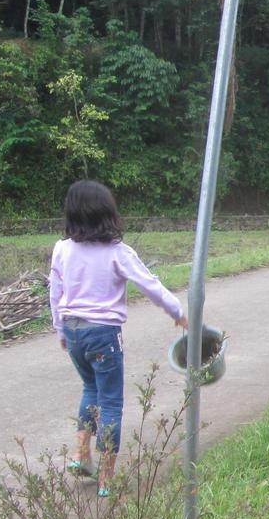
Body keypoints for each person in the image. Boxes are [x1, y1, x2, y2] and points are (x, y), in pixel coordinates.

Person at [49, 180, 187, 496]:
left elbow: (55, 292)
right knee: (110, 400)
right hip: (104, 335)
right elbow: (150, 285)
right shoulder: (118, 253)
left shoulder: (62, 249)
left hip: (73, 331)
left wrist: (60, 329)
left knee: (90, 388)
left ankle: (81, 454)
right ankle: (107, 478)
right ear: (108, 212)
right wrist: (177, 311)